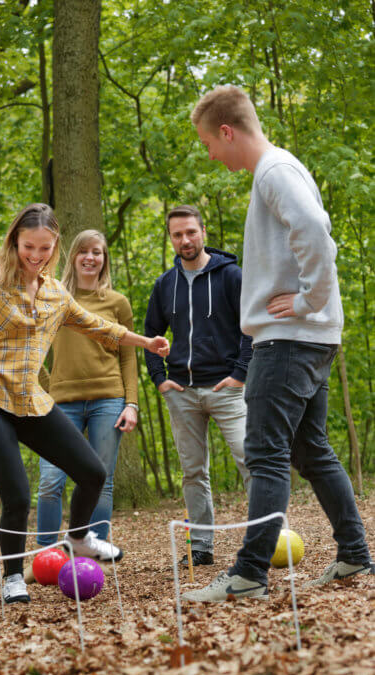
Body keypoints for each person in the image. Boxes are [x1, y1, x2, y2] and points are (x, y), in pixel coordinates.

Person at [0, 203, 169, 605]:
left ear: (56, 248)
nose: (35, 256)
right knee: (18, 494)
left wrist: (146, 342)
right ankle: (11, 578)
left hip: (31, 401)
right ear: (14, 242)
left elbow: (98, 326)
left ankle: (78, 538)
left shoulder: (56, 293)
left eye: (44, 249)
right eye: (28, 247)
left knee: (92, 471)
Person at [182, 85, 372, 603]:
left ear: (227, 131)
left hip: (288, 340)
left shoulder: (273, 171)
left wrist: (311, 301)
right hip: (307, 339)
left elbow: (315, 230)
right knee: (312, 452)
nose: (211, 154)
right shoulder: (278, 169)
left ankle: (248, 574)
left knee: (265, 453)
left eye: (208, 143)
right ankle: (355, 554)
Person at [144, 205, 252, 567]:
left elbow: (251, 328)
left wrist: (240, 374)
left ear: (203, 231)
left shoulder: (231, 276)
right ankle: (202, 545)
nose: (185, 240)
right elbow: (150, 337)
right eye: (177, 234)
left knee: (250, 460)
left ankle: (265, 538)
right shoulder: (165, 285)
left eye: (191, 232)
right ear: (171, 238)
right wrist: (160, 379)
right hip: (183, 393)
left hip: (228, 389)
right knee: (193, 472)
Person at [36, 229, 138, 548]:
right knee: (50, 482)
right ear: (73, 257)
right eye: (83, 251)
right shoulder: (52, 298)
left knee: (101, 481)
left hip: (108, 400)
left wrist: (131, 403)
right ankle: (47, 556)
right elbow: (32, 348)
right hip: (60, 404)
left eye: (97, 252)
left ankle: (90, 554)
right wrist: (43, 388)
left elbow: (128, 356)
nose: (90, 257)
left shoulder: (117, 302)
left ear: (104, 259)